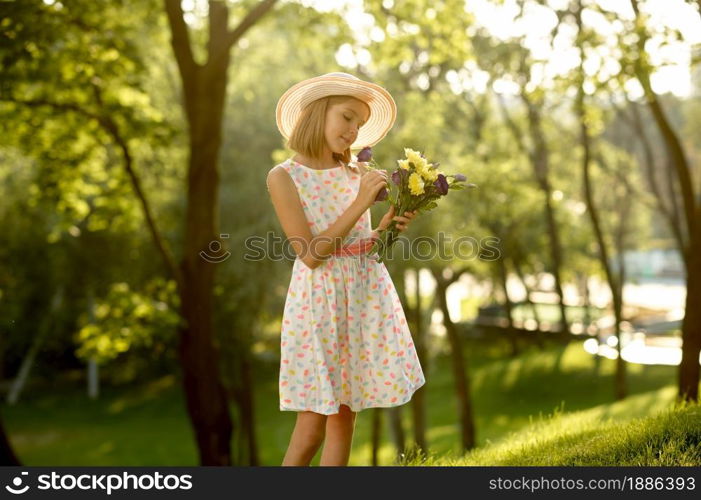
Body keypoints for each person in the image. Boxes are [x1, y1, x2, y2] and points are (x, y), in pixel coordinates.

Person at [266, 72, 425, 466]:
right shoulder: (284, 177)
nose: (354, 130)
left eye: (359, 124)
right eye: (347, 117)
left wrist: (389, 225)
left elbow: (361, 246)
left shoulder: (355, 173)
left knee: (344, 417)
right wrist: (359, 203)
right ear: (318, 113)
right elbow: (311, 253)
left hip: (361, 296)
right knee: (312, 425)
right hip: (318, 303)